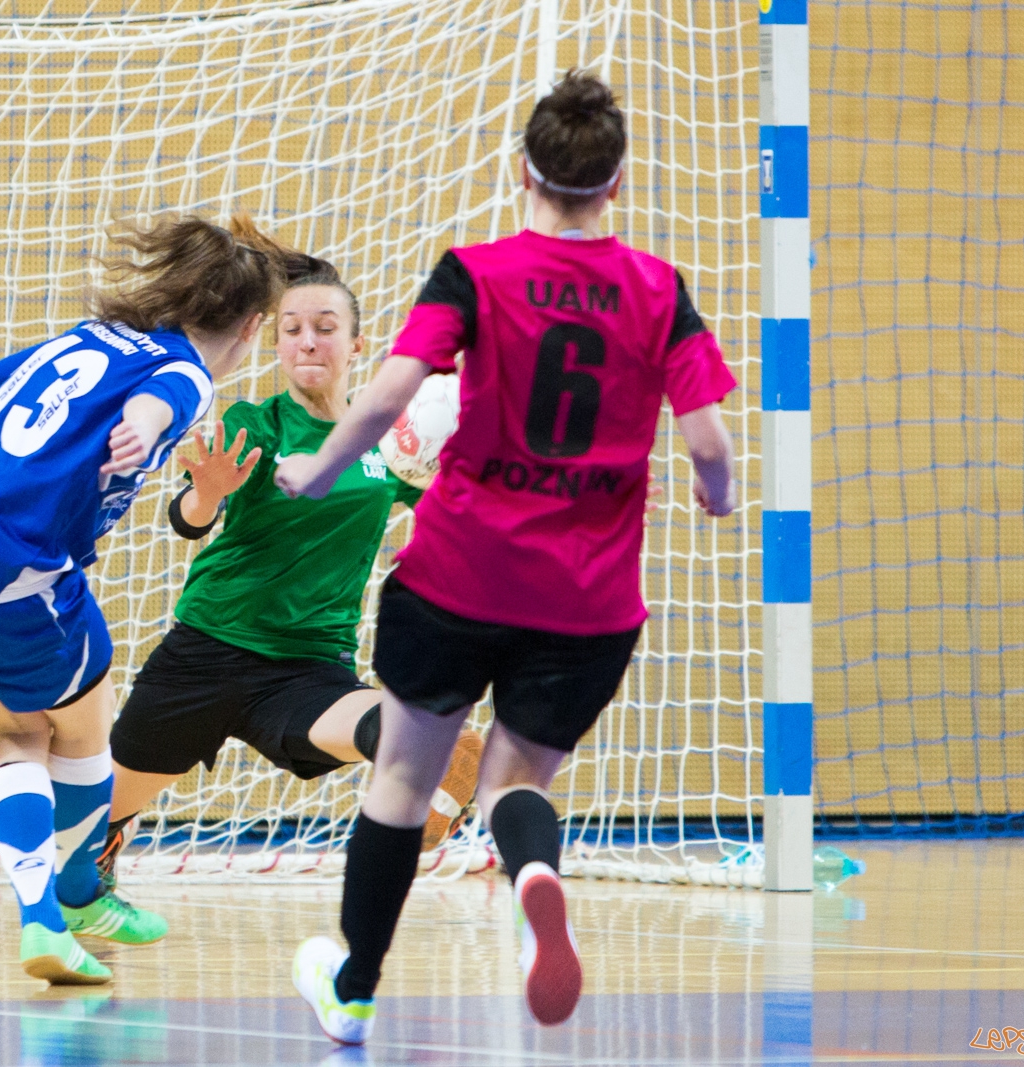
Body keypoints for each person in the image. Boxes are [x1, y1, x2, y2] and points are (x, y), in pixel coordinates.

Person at [275, 71, 740, 1043]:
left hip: (457, 576)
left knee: (401, 783)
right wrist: (717, 492)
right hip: (587, 599)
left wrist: (319, 469)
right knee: (517, 781)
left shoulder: (474, 272)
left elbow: (390, 392)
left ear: (520, 170)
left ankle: (354, 988)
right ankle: (534, 874)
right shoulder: (658, 291)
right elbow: (705, 442)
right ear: (616, 184)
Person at [0, 216, 289, 984]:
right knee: (88, 717)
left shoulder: (94, 333)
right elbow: (159, 407)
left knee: (17, 730)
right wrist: (137, 434)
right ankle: (64, 901)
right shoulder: (189, 371)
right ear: (250, 324)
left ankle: (61, 904)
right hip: (10, 561)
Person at [95, 256, 485, 921]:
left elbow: (470, 514)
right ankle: (100, 846)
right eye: (294, 328)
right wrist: (206, 494)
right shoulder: (257, 423)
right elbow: (191, 517)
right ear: (276, 344)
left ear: (355, 345)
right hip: (205, 654)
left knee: (389, 721)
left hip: (306, 668)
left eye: (326, 327)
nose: (309, 340)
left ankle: (433, 757)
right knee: (88, 816)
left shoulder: (386, 446)